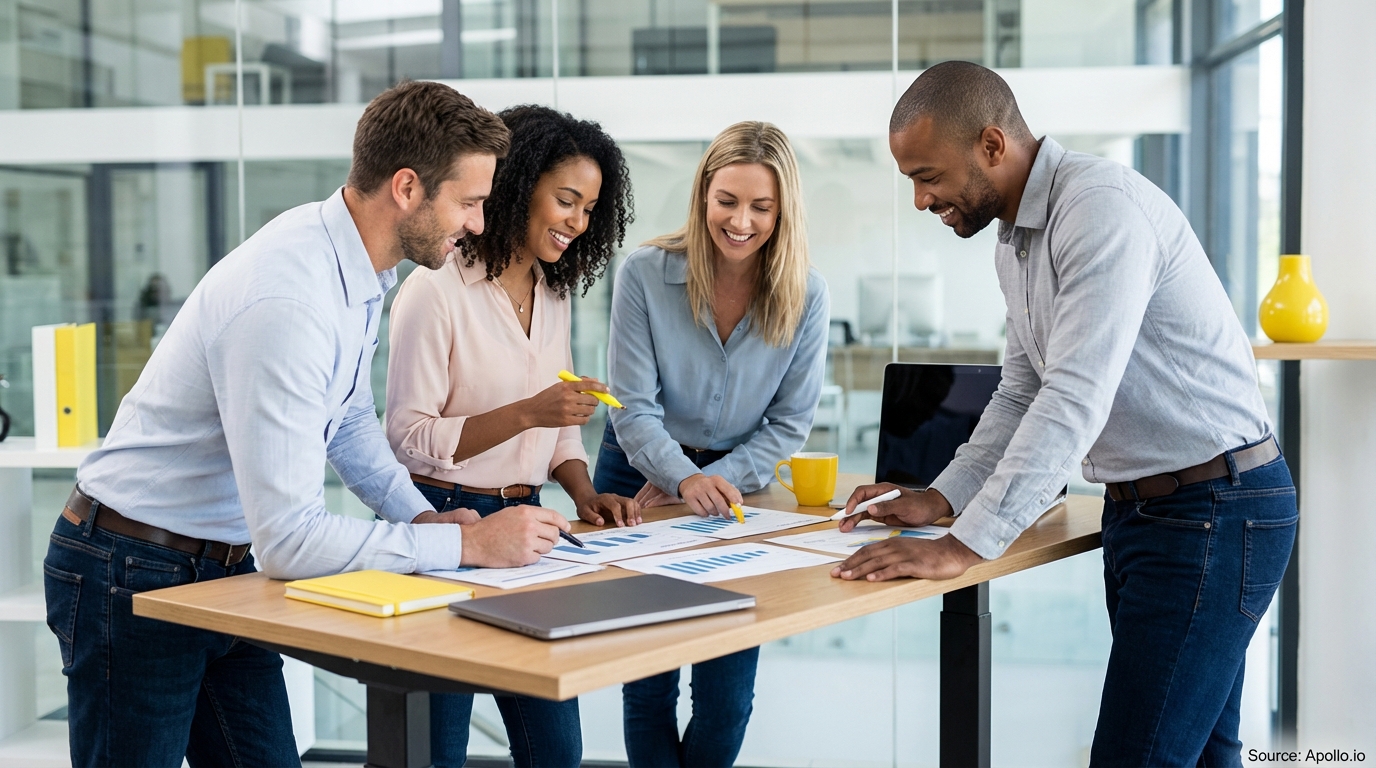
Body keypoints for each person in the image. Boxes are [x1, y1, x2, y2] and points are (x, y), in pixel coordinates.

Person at [42, 81, 572, 768]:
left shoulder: (355, 267)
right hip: (131, 566)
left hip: (223, 567)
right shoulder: (290, 298)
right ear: (407, 188)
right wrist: (466, 547)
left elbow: (345, 416)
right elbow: (291, 538)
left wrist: (421, 517)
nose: (477, 223)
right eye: (468, 202)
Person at [834, 62, 1295, 767]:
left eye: (928, 177)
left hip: (1214, 509)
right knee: (1202, 753)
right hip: (1151, 512)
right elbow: (1020, 391)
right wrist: (942, 498)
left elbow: (1074, 396)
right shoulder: (1015, 242)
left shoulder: (1099, 209)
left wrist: (964, 546)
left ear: (992, 144)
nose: (922, 200)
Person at [385, 104, 638, 768]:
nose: (577, 222)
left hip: (531, 525)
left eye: (590, 209)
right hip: (446, 521)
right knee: (436, 749)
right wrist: (527, 412)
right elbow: (406, 438)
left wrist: (584, 492)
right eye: (566, 200)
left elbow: (558, 432)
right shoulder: (434, 290)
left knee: (555, 750)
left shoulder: (553, 293)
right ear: (518, 186)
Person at [593, 121, 830, 767]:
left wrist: (709, 482)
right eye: (727, 200)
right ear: (703, 194)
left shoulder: (806, 293)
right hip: (637, 471)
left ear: (783, 211)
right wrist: (679, 477)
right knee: (649, 682)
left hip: (737, 485)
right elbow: (631, 406)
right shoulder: (645, 273)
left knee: (727, 696)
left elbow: (789, 422)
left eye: (761, 207)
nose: (741, 221)